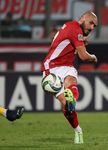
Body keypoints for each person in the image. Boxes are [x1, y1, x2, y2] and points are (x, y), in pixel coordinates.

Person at [41, 11, 98, 144]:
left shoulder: (72, 27)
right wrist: (93, 58)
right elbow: (84, 56)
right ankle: (78, 130)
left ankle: (71, 100)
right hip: (52, 68)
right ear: (82, 18)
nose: (91, 28)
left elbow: (66, 42)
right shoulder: (75, 29)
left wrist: (80, 42)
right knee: (67, 106)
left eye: (94, 26)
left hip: (66, 65)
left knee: (71, 81)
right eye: (91, 23)